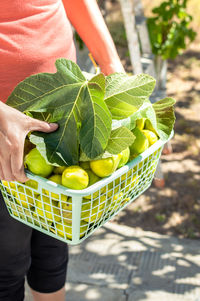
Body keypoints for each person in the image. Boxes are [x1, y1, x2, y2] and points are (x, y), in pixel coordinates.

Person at [0, 1, 125, 300]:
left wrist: (113, 70)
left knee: (52, 248)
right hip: (5, 134)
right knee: (6, 265)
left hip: (64, 114)